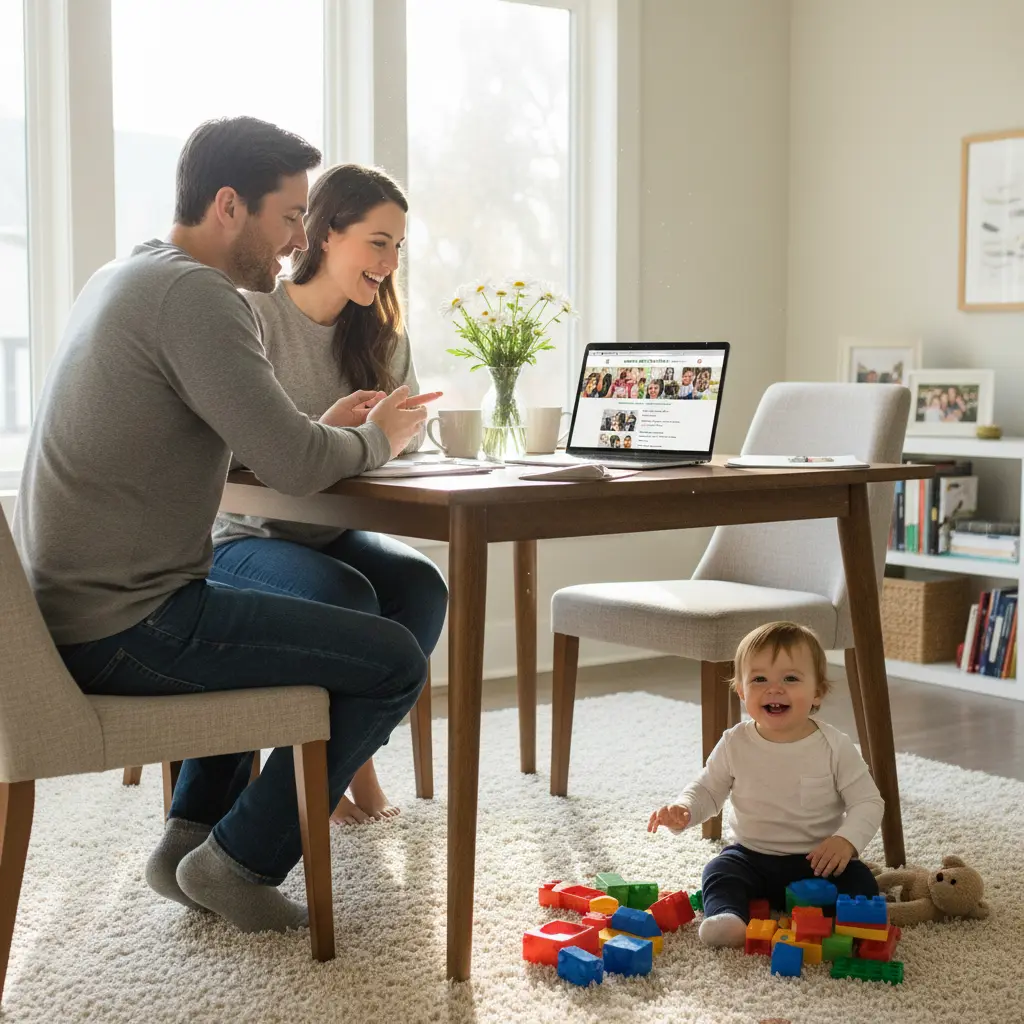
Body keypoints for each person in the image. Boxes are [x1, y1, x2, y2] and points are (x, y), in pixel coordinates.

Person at [14, 116, 433, 936]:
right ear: (230, 205)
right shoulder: (197, 296)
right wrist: (376, 438)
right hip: (131, 624)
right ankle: (241, 861)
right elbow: (295, 462)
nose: (294, 242)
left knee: (352, 611)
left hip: (82, 609)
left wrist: (333, 434)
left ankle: (192, 842)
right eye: (288, 218)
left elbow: (278, 441)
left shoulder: (127, 273)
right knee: (391, 658)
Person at [210, 163, 448, 826]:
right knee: (348, 597)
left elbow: (410, 447)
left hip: (329, 533)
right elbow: (231, 453)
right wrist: (326, 432)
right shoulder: (255, 317)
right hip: (242, 540)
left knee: (422, 587)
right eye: (378, 242)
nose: (389, 262)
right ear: (324, 233)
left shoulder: (380, 337)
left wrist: (402, 434)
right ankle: (322, 784)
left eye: (398, 246)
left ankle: (337, 765)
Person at [648, 621, 883, 948]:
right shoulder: (734, 742)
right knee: (718, 871)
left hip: (818, 860)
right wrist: (685, 809)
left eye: (790, 678)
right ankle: (728, 918)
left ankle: (849, 925)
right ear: (742, 691)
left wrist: (846, 841)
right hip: (752, 856)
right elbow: (708, 788)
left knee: (860, 880)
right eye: (759, 679)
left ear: (817, 692)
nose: (774, 689)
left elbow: (868, 802)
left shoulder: (835, 746)